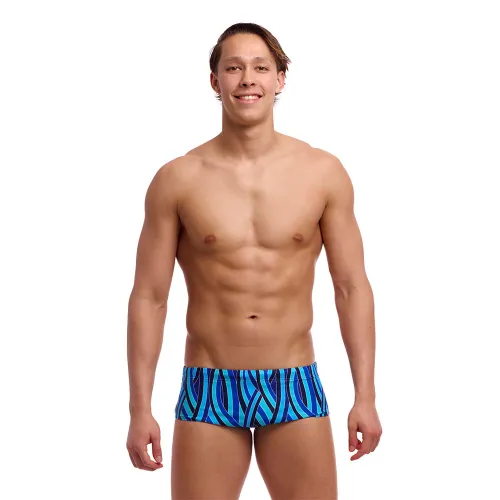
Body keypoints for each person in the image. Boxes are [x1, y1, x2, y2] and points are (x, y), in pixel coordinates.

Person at [126, 22, 382, 500]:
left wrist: (364, 395)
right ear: (215, 80)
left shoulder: (322, 173)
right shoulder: (177, 179)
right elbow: (149, 297)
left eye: (261, 67)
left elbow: (351, 287)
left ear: (280, 79)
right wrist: (139, 408)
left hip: (293, 383)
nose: (248, 79)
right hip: (209, 387)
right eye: (234, 68)